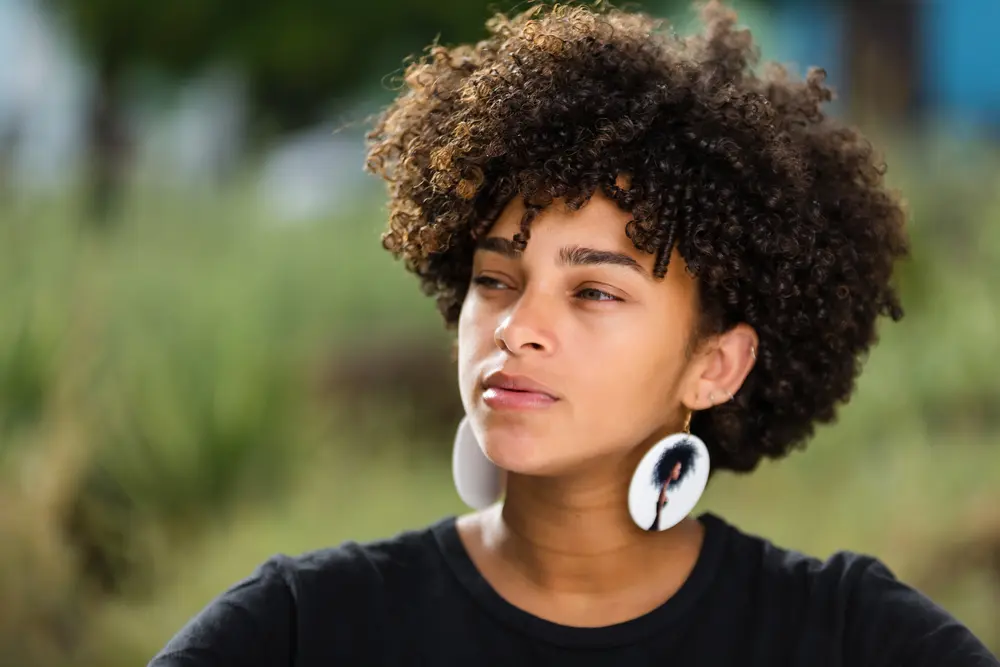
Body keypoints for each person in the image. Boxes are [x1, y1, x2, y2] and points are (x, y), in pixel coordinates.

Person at [149, 2, 999, 665]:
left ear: (716, 365)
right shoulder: (304, 628)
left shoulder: (849, 639)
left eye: (593, 290)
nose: (518, 329)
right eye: (495, 281)